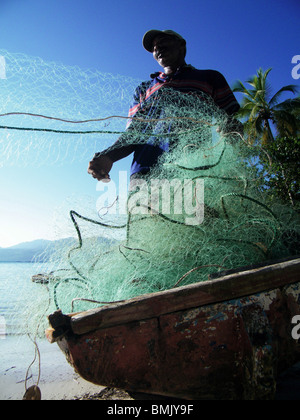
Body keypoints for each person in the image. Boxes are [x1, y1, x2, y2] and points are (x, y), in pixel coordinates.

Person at [88, 29, 241, 183]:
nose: (157, 49)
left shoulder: (210, 77)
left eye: (163, 43)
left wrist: (231, 129)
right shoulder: (143, 89)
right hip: (145, 174)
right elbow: (134, 133)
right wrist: (108, 156)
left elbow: (232, 120)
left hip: (194, 170)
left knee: (198, 207)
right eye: (154, 48)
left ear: (181, 45)